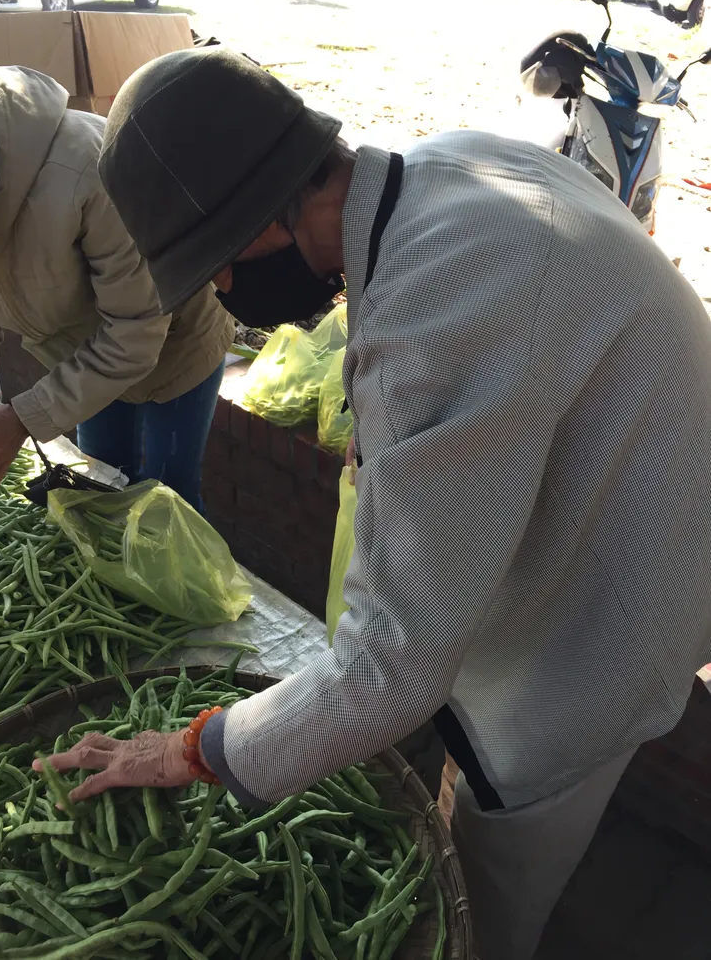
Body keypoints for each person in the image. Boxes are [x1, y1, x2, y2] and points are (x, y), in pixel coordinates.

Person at [38, 48, 711, 960]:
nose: (228, 295)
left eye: (219, 268)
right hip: (639, 492)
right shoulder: (452, 165)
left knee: (486, 882)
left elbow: (391, 671)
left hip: (622, 598)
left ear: (267, 220)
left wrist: (194, 748)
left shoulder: (433, 326)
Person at [0, 58, 233, 510]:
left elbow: (135, 335)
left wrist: (22, 418)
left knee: (167, 502)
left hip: (173, 344)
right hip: (84, 359)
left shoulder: (88, 172)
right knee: (99, 490)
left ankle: (177, 579)